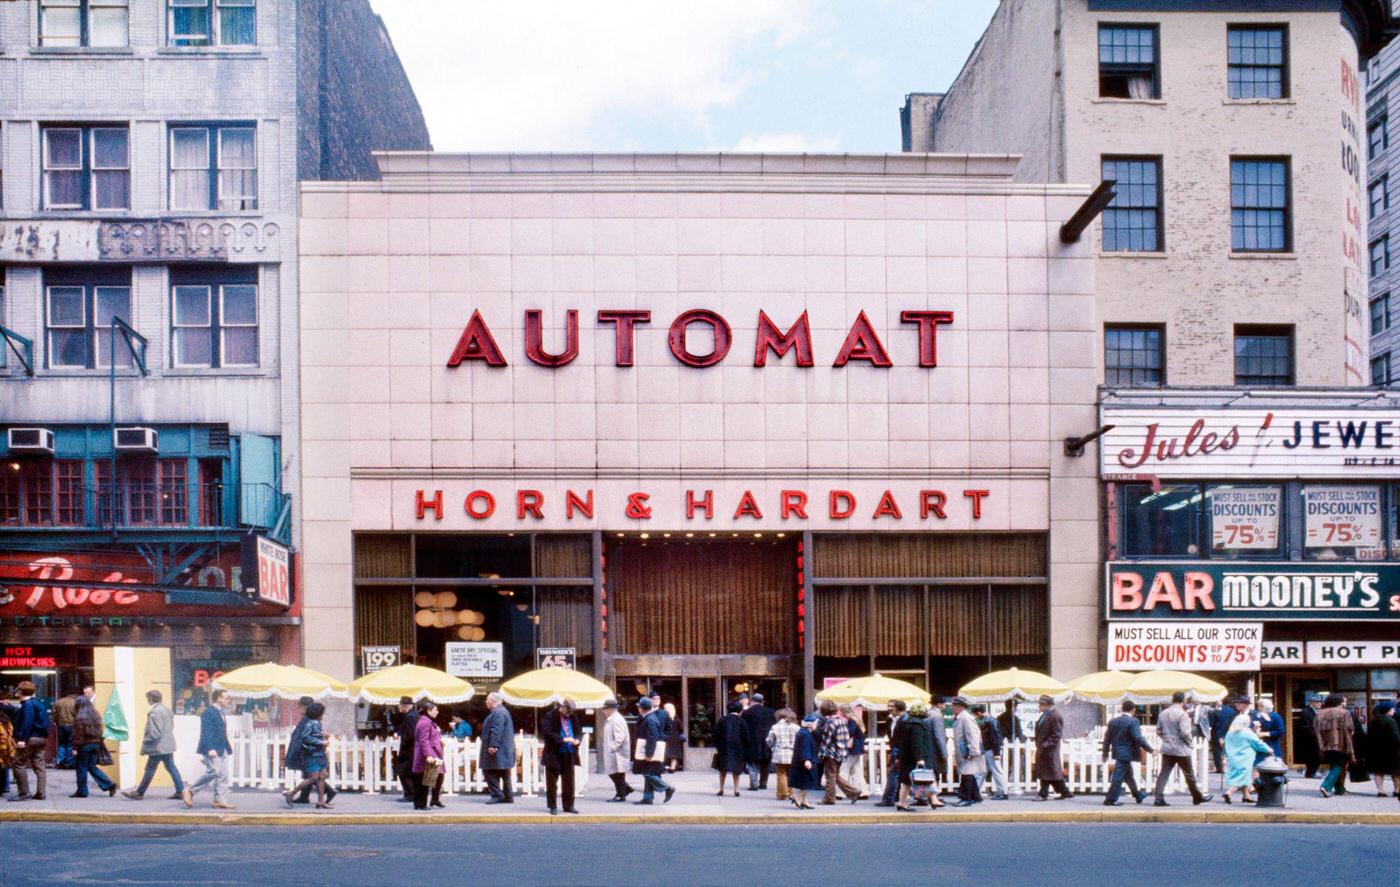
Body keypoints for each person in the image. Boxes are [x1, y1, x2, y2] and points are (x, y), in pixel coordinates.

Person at [122, 690, 188, 803]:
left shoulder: (154, 712)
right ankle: (181, 791)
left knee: (150, 769)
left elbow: (155, 732)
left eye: (148, 699)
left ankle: (139, 792)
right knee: (171, 767)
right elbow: (170, 726)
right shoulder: (166, 710)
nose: (147, 701)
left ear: (151, 699)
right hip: (168, 744)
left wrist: (147, 741)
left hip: (157, 746)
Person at [1152, 691, 1211, 806]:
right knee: (1189, 773)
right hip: (1181, 749)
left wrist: (1167, 739)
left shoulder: (1163, 713)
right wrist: (1189, 743)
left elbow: (1158, 731)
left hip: (1168, 747)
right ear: (1183, 701)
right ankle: (1197, 796)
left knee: (1164, 773)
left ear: (1172, 700)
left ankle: (1158, 798)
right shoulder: (1183, 714)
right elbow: (1185, 733)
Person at [187, 688, 235, 809]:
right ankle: (191, 791)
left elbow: (221, 732)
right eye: (225, 697)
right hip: (213, 748)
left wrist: (226, 747)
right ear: (218, 698)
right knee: (214, 771)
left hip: (222, 747)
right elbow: (206, 732)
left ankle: (220, 800)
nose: (227, 700)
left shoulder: (220, 712)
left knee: (223, 775)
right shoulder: (209, 712)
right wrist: (210, 748)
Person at [1101, 700, 1153, 806]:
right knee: (1118, 776)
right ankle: (1110, 799)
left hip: (1117, 752)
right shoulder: (1133, 721)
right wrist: (1150, 749)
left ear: (1121, 708)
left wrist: (1105, 753)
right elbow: (1137, 737)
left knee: (1128, 775)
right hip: (1127, 752)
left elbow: (1107, 739)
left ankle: (1137, 795)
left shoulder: (1113, 721)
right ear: (1133, 710)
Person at [283, 702, 333, 810]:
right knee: (313, 778)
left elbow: (314, 735)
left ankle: (321, 801)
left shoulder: (317, 723)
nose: (323, 716)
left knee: (322, 777)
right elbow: (305, 738)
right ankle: (291, 793)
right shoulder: (309, 724)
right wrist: (321, 742)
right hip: (312, 754)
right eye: (322, 713)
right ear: (317, 714)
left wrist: (322, 735)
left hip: (320, 754)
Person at [9, 681, 50, 802]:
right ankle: (41, 793)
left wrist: (22, 739)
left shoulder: (27, 705)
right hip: (41, 738)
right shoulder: (37, 703)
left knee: (18, 762)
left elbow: (27, 722)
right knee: (39, 765)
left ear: (20, 692)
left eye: (17, 690)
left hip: (30, 738)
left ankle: (23, 792)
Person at [540, 698, 582, 815]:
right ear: (562, 707)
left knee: (569, 781)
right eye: (567, 711)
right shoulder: (551, 715)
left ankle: (569, 805)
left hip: (569, 752)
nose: (568, 714)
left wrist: (578, 740)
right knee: (552, 782)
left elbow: (578, 731)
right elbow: (547, 732)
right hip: (554, 753)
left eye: (570, 712)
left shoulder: (573, 716)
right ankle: (553, 806)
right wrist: (563, 739)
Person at [817, 699, 862, 804]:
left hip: (831, 753)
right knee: (835, 775)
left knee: (830, 776)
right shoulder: (841, 720)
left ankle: (829, 799)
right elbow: (846, 736)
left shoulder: (829, 723)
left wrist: (821, 753)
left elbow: (826, 741)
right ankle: (853, 792)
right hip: (841, 752)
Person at [70, 695, 116, 798]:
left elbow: (79, 736)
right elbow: (100, 732)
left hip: (84, 746)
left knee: (81, 768)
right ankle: (109, 784)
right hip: (96, 744)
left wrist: (75, 748)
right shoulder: (96, 715)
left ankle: (82, 791)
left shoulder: (80, 718)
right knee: (92, 766)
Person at [895, 701, 935, 812]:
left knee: (907, 781)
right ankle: (931, 799)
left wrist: (899, 756)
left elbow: (900, 742)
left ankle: (902, 803)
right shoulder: (917, 725)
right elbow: (916, 743)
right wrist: (920, 758)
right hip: (914, 758)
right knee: (922, 778)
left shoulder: (906, 723)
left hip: (906, 756)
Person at [633, 697, 674, 804]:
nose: (638, 709)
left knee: (648, 773)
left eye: (639, 707)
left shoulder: (650, 719)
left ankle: (667, 788)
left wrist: (649, 753)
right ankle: (648, 798)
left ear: (643, 708)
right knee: (648, 773)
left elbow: (652, 737)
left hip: (649, 752)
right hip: (647, 750)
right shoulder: (649, 717)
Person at [1222, 713, 1271, 804]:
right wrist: (1269, 750)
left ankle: (1246, 796)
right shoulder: (1247, 732)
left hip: (1233, 757)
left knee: (1244, 775)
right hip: (1245, 757)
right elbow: (1257, 743)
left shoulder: (1230, 732)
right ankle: (1229, 792)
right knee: (1243, 776)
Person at [1032, 694, 1071, 801]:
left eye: (1040, 705)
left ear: (1046, 705)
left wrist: (1045, 745)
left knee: (1046, 772)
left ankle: (1043, 794)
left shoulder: (1055, 716)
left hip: (1049, 749)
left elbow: (1056, 735)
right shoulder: (1046, 715)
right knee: (1050, 772)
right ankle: (1065, 791)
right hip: (1044, 748)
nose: (1039, 707)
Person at [1316, 693, 1355, 798]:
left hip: (1325, 743)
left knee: (1334, 764)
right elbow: (1350, 728)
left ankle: (1339, 789)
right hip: (1341, 742)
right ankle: (1326, 786)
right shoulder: (1344, 713)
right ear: (1339, 702)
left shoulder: (1319, 713)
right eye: (1344, 701)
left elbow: (1316, 728)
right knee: (1339, 765)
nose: (1345, 703)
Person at [479, 691, 515, 804]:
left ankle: (497, 794)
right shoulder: (502, 711)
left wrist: (493, 745)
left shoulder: (498, 712)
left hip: (499, 748)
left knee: (489, 770)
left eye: (487, 699)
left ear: (493, 701)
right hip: (504, 748)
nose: (486, 701)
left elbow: (497, 729)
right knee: (504, 772)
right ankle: (508, 796)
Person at [950, 697, 984, 807]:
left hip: (967, 750)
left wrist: (973, 751)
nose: (952, 707)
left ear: (961, 706)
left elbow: (973, 735)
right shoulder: (960, 717)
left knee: (967, 774)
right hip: (963, 750)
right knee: (968, 772)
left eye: (954, 705)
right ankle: (976, 796)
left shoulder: (966, 718)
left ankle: (966, 798)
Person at [410, 701, 444, 810]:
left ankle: (422, 803)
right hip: (426, 755)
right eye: (435, 710)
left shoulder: (426, 722)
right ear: (429, 711)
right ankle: (421, 804)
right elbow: (424, 740)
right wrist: (428, 755)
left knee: (427, 779)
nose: (437, 712)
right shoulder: (425, 723)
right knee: (423, 780)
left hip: (430, 753)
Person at [741, 692, 776, 791]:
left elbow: (744, 728)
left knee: (752, 764)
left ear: (752, 701)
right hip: (767, 742)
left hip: (752, 742)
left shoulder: (746, 713)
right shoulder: (771, 712)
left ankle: (754, 784)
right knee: (766, 763)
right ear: (762, 702)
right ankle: (763, 783)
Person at [600, 698, 633, 802]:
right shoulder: (613, 719)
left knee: (617, 773)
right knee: (616, 773)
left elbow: (620, 737)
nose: (603, 711)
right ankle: (625, 789)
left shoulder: (616, 720)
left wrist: (613, 747)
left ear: (611, 709)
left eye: (605, 709)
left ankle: (621, 794)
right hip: (615, 752)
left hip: (617, 753)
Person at [712, 701, 748, 797]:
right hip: (738, 748)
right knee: (736, 770)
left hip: (723, 748)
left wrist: (717, 745)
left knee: (722, 769)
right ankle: (736, 789)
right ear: (740, 710)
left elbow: (715, 734)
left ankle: (721, 789)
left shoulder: (722, 720)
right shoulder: (742, 721)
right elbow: (746, 736)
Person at [1365, 700, 1399, 800]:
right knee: (1396, 772)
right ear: (1388, 710)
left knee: (1379, 771)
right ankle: (1397, 790)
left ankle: (1381, 790)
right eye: (1392, 709)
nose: (1394, 710)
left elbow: (1369, 736)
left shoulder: (1374, 721)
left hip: (1376, 750)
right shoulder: (1391, 721)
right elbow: (1395, 736)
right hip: (1391, 750)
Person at [876, 700, 907, 808]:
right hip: (895, 748)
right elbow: (890, 735)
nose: (889, 708)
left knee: (893, 774)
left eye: (891, 706)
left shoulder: (905, 719)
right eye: (888, 706)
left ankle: (889, 799)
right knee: (896, 774)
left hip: (901, 749)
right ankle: (894, 797)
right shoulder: (889, 719)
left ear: (898, 708)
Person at [972, 703, 1007, 800]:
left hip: (991, 750)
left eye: (975, 715)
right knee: (983, 771)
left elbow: (996, 737)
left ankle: (1003, 792)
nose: (975, 717)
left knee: (996, 771)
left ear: (978, 713)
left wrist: (996, 753)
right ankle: (976, 791)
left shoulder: (990, 721)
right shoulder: (989, 720)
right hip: (989, 749)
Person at [787, 713, 821, 810]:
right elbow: (804, 748)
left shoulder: (803, 732)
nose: (817, 725)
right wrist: (806, 760)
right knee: (808, 782)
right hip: (804, 761)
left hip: (800, 761)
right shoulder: (805, 734)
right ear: (810, 724)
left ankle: (804, 801)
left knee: (805, 783)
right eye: (816, 723)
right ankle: (797, 797)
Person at [765, 708, 799, 802]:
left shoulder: (775, 727)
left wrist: (773, 747)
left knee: (781, 773)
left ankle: (783, 794)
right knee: (790, 774)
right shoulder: (796, 727)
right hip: (792, 753)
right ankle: (790, 792)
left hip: (780, 752)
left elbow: (769, 740)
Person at [391, 696, 420, 803]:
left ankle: (409, 795)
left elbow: (411, 734)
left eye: (400, 705)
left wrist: (402, 741)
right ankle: (410, 794)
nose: (398, 707)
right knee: (406, 772)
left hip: (408, 749)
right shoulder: (412, 715)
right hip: (410, 749)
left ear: (405, 706)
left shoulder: (410, 717)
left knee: (404, 772)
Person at [838, 703, 869, 799]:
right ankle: (862, 792)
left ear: (843, 711)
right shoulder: (857, 719)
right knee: (857, 771)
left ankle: (840, 793)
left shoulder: (852, 721)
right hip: (858, 748)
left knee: (843, 769)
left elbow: (848, 732)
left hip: (852, 749)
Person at [922, 698, 949, 806]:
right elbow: (939, 735)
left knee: (927, 773)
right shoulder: (937, 716)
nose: (945, 706)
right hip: (934, 749)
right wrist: (944, 752)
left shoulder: (927, 714)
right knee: (935, 773)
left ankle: (925, 797)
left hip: (926, 748)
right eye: (943, 704)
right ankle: (934, 798)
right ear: (939, 704)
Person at [1297, 693, 1323, 778]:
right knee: (1312, 756)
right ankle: (1311, 772)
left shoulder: (1318, 711)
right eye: (1318, 702)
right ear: (1312, 702)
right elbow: (1304, 726)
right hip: (1310, 738)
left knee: (1317, 755)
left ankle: (1313, 771)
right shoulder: (1305, 712)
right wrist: (1314, 734)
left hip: (1317, 737)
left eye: (1320, 702)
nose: (1320, 704)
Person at [52, 691, 77, 769]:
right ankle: (69, 763)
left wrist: (56, 721)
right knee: (70, 744)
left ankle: (59, 761)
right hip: (72, 725)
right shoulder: (75, 702)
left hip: (61, 725)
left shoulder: (59, 702)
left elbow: (54, 714)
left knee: (62, 744)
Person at [662, 702, 684, 772]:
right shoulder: (676, 718)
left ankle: (664, 766)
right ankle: (672, 767)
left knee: (665, 752)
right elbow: (681, 728)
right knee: (674, 754)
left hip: (667, 737)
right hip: (675, 738)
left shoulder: (664, 718)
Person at [0, 705, 14, 799]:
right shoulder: (7, 722)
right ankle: (4, 787)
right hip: (5, 749)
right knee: (3, 767)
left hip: (2, 747)